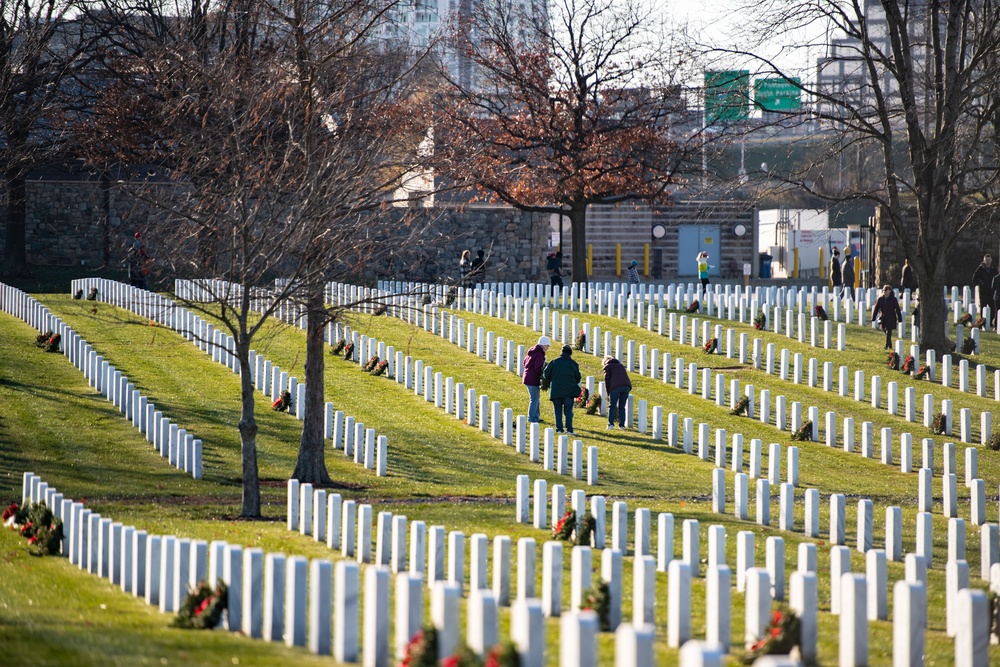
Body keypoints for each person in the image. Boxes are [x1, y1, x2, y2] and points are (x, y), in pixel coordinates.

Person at [541, 344, 581, 435]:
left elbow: (546, 374)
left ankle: (559, 429)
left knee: (557, 410)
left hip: (556, 390)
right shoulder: (573, 364)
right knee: (568, 411)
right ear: (570, 353)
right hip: (569, 391)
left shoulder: (554, 362)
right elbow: (578, 378)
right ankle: (569, 430)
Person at [522, 336, 550, 424]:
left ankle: (536, 417)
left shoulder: (532, 352)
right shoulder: (539, 354)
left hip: (528, 378)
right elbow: (538, 368)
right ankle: (531, 417)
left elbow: (524, 362)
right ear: (543, 345)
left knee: (536, 398)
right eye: (547, 346)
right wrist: (544, 375)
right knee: (534, 399)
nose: (548, 348)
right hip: (532, 379)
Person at [602, 356, 631, 430]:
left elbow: (607, 380)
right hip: (626, 386)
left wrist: (608, 392)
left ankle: (610, 424)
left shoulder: (608, 367)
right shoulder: (621, 365)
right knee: (622, 406)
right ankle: (622, 425)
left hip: (615, 387)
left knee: (612, 406)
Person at [872, 285, 903, 350]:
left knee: (889, 331)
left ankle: (886, 346)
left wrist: (900, 318)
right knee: (886, 331)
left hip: (891, 317)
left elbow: (897, 309)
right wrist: (873, 317)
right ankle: (890, 345)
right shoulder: (880, 299)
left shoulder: (893, 299)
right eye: (884, 290)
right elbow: (876, 308)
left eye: (886, 290)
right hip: (883, 318)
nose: (885, 292)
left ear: (890, 291)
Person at [972, 253, 997, 326]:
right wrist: (980, 281)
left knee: (993, 308)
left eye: (989, 260)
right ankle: (983, 321)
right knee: (983, 307)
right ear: (984, 260)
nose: (988, 261)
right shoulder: (980, 269)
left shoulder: (993, 269)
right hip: (983, 292)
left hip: (991, 292)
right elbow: (974, 278)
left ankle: (990, 321)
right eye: (986, 260)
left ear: (991, 260)